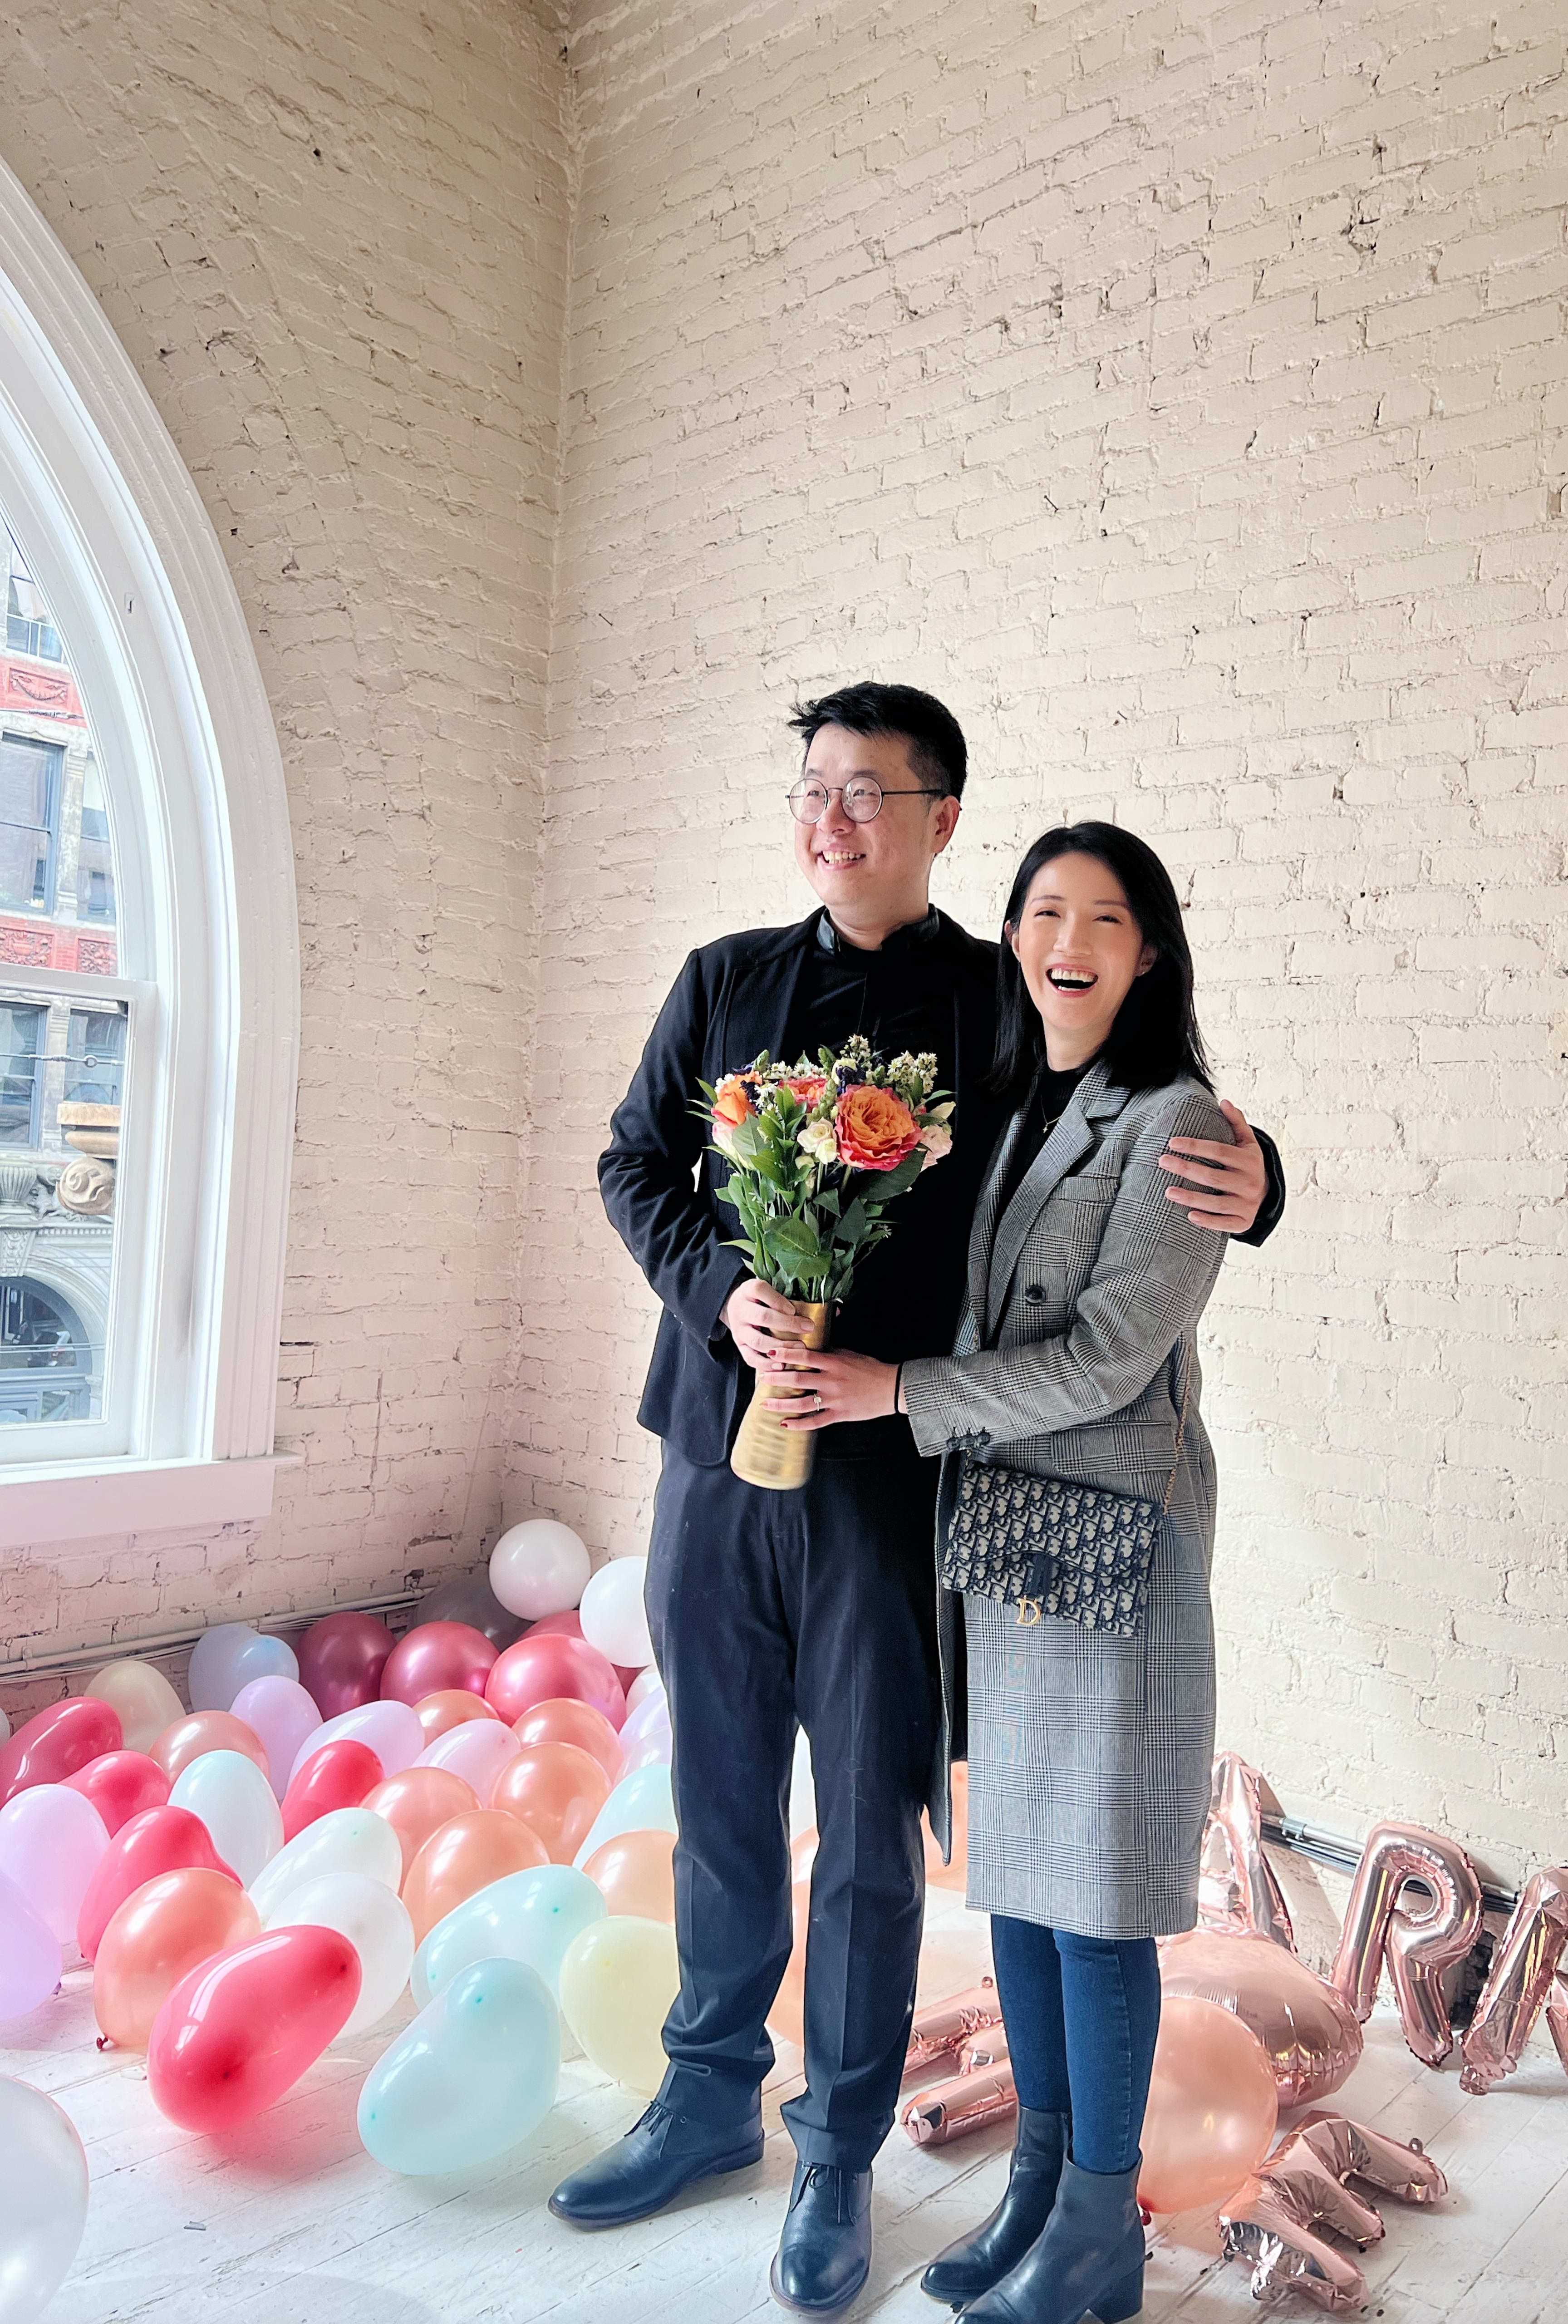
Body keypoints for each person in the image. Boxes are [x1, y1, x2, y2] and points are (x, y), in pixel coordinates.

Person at [550, 687, 1283, 2318]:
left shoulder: (995, 999)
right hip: (714, 1456)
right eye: (813, 791)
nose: (834, 822)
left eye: (870, 795)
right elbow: (631, 1166)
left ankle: (835, 2149)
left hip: (896, 1482)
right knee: (723, 1791)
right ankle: (702, 2095)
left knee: (870, 1833)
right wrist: (718, 1292)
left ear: (943, 818)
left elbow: (1127, 1097)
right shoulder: (723, 979)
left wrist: (1266, 1172)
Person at [784, 823, 1235, 2324]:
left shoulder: (1180, 1123)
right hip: (1009, 1551)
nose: (1072, 937)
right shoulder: (1021, 1099)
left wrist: (894, 1394)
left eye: (1108, 917)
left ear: (1150, 951)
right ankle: (1043, 2187)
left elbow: (1112, 1360)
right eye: (1046, 909)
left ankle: (1100, 2240)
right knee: (1032, 1895)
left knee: (1097, 1901)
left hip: (1112, 1554)